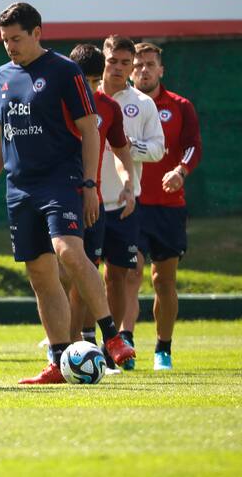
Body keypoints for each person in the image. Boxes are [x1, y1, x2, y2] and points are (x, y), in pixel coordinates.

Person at [0, 2, 135, 384]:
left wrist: (90, 184)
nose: (9, 46)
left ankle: (111, 336)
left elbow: (90, 129)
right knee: (40, 274)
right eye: (4, 40)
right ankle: (60, 359)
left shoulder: (65, 71)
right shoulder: (1, 76)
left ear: (37, 32)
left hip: (60, 181)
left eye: (16, 38)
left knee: (68, 251)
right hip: (19, 188)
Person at [125, 41, 202, 371]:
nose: (143, 70)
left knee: (163, 280)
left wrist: (180, 171)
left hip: (168, 206)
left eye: (149, 64)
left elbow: (193, 146)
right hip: (132, 201)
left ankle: (163, 348)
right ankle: (124, 343)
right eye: (138, 64)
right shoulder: (121, 103)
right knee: (130, 271)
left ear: (161, 70)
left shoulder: (180, 106)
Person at [64, 44, 136, 373]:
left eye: (96, 80)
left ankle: (86, 348)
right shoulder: (56, 101)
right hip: (58, 198)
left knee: (87, 275)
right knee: (63, 278)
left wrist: (127, 182)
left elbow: (121, 148)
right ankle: (65, 349)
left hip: (92, 203)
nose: (91, 88)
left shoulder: (108, 106)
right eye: (84, 79)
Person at [99, 35, 165, 370]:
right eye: (114, 61)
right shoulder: (85, 96)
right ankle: (81, 340)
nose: (120, 69)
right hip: (86, 199)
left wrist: (124, 145)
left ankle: (112, 344)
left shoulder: (142, 103)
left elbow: (157, 149)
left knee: (119, 274)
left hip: (124, 202)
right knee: (81, 274)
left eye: (127, 63)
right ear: (103, 58)